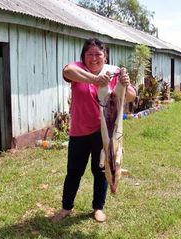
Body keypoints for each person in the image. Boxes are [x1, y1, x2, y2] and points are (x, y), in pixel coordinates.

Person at [52, 38, 136, 223]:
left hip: (104, 133)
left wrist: (125, 82)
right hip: (79, 131)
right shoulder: (78, 69)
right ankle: (66, 207)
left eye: (98, 54)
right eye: (89, 54)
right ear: (84, 56)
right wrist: (95, 79)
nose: (94, 58)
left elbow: (130, 96)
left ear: (105, 56)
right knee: (74, 171)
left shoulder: (113, 72)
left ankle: (98, 207)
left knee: (101, 171)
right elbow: (67, 71)